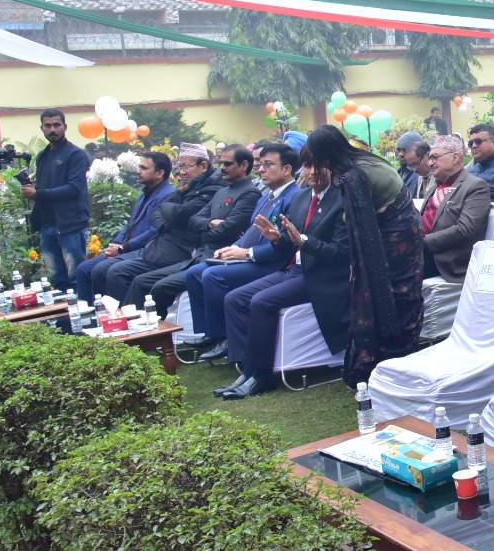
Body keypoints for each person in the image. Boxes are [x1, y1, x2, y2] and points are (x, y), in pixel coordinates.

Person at [215, 160, 351, 399]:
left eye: (318, 166)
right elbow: (288, 246)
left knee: (261, 301)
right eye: (307, 166)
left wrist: (304, 241)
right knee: (235, 298)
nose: (312, 172)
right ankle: (247, 369)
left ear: (332, 168)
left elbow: (340, 252)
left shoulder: (341, 200)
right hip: (294, 268)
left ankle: (263, 375)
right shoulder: (301, 198)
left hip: (322, 275)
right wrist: (277, 238)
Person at [301, 125, 425, 386]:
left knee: (392, 292)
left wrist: (359, 266)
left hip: (394, 238)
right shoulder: (361, 158)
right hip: (406, 230)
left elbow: (362, 227)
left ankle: (393, 360)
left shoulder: (352, 175)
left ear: (325, 153)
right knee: (404, 293)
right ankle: (401, 359)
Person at [184, 143, 298, 358]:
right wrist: (233, 248)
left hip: (272, 264)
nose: (261, 170)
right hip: (251, 257)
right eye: (260, 165)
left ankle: (225, 337)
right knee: (194, 273)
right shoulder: (267, 196)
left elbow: (284, 245)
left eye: (267, 165)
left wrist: (246, 254)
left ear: (287, 169)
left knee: (213, 275)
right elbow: (251, 233)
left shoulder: (295, 197)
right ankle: (212, 333)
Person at [125, 144, 261, 317]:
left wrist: (204, 228)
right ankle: (130, 332)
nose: (222, 168)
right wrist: (211, 223)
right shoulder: (223, 191)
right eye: (221, 163)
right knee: (141, 281)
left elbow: (227, 229)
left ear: (243, 166)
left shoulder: (249, 193)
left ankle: (154, 336)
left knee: (160, 287)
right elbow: (193, 222)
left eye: (228, 164)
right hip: (200, 255)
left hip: (219, 257)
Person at [74, 150, 176, 303]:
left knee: (101, 269)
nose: (138, 171)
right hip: (127, 248)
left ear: (159, 173)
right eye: (139, 167)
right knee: (83, 268)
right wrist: (116, 243)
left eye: (144, 168)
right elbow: (131, 223)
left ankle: (117, 313)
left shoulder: (167, 195)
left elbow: (155, 231)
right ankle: (91, 315)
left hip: (144, 250)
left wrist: (123, 248)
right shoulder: (144, 192)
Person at [24, 108, 92, 285]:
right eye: (48, 126)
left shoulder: (76, 154)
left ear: (65, 127)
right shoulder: (42, 156)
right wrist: (32, 189)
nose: (52, 129)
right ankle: (63, 313)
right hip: (47, 225)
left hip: (70, 224)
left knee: (76, 276)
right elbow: (44, 185)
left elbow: (74, 189)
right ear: (42, 128)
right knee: (56, 277)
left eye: (56, 125)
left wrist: (37, 194)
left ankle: (82, 310)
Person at [418, 134, 491, 284]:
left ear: (455, 157)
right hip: (421, 253)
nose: (430, 163)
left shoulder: (475, 186)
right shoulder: (434, 188)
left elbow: (465, 229)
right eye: (429, 158)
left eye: (435, 157)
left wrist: (423, 243)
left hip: (447, 262)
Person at [395, 132, 430, 200]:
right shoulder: (397, 173)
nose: (400, 154)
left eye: (404, 150)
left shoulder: (421, 172)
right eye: (399, 150)